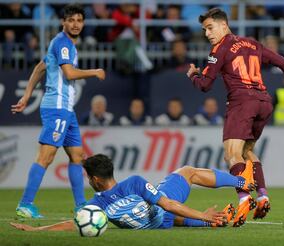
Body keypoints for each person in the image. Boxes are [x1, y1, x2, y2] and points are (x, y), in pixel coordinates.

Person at [186, 8, 284, 226]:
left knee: (231, 155)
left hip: (242, 102)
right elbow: (282, 62)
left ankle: (244, 199)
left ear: (223, 25)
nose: (207, 33)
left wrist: (194, 75)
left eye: (210, 28)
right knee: (247, 151)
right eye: (204, 29)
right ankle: (262, 196)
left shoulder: (219, 48)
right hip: (264, 102)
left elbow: (205, 85)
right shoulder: (252, 44)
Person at [11, 4, 106, 218]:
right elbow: (70, 74)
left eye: (79, 20)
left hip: (66, 110)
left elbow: (39, 68)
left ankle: (81, 205)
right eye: (71, 20)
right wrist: (95, 72)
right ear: (63, 22)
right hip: (57, 108)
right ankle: (25, 204)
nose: (75, 24)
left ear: (83, 23)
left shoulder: (61, 43)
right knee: (46, 156)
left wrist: (26, 96)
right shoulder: (63, 43)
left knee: (77, 155)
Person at [10, 153, 255, 231]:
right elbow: (168, 204)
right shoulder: (134, 183)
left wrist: (37, 229)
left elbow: (74, 224)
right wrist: (203, 214)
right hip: (163, 212)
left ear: (95, 180)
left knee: (162, 211)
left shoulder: (98, 204)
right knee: (187, 172)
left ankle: (209, 223)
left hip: (159, 224)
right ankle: (241, 182)